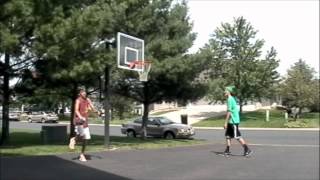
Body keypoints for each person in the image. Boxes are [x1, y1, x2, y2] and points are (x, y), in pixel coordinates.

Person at [69, 88, 100, 162]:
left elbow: (92, 107)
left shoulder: (87, 100)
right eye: (82, 92)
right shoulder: (78, 100)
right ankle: (73, 139)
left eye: (85, 92)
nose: (84, 93)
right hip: (79, 121)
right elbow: (76, 110)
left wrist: (97, 112)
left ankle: (82, 154)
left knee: (86, 139)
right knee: (82, 135)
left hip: (85, 121)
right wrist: (80, 117)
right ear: (79, 93)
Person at [223, 86, 252, 156]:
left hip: (233, 121)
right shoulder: (230, 99)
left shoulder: (230, 99)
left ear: (229, 92)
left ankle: (247, 149)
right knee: (227, 136)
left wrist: (225, 123)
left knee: (237, 136)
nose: (224, 92)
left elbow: (229, 112)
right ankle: (227, 150)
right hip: (231, 121)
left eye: (225, 91)